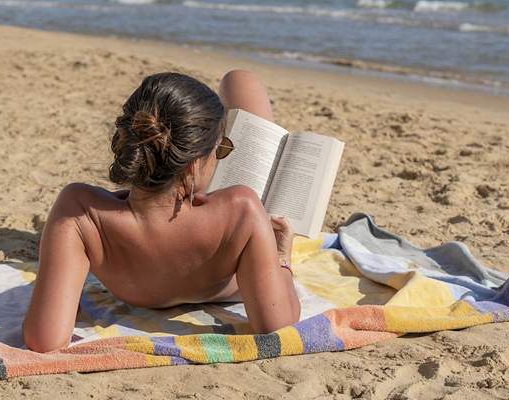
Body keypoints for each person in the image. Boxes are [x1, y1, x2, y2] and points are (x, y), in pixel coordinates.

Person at [22, 70, 300, 353]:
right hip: (225, 238)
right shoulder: (242, 208)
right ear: (193, 165)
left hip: (160, 226)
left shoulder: (81, 212)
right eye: (219, 150)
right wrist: (282, 259)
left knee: (237, 82)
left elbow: (44, 340)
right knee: (240, 81)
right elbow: (276, 325)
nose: (218, 158)